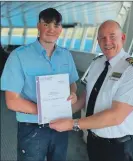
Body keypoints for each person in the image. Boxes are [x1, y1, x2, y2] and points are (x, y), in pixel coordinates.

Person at [49, 20, 133, 161]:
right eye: (102, 38)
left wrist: (73, 124)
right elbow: (87, 96)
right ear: (98, 41)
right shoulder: (97, 63)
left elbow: (116, 116)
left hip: (117, 147)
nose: (107, 41)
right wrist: (62, 112)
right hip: (93, 140)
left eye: (112, 36)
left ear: (123, 38)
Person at [1, 8, 79, 161]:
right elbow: (11, 101)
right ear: (38, 26)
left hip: (61, 125)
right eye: (46, 24)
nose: (51, 29)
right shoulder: (19, 56)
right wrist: (45, 111)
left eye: (56, 25)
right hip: (32, 129)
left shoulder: (66, 55)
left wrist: (74, 93)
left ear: (61, 29)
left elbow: (73, 83)